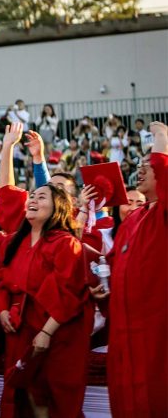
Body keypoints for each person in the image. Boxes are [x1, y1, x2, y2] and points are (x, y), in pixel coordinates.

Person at [0, 182, 90, 418]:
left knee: (50, 395)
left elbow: (68, 292)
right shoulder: (15, 243)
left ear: (57, 207)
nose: (33, 200)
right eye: (33, 196)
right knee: (24, 392)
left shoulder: (65, 243)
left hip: (56, 333)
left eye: (42, 197)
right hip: (20, 330)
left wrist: (47, 332)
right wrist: (2, 311)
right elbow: (1, 282)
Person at [105, 121, 167, 417]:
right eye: (139, 165)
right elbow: (113, 263)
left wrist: (162, 137)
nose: (140, 170)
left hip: (157, 327)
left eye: (148, 165)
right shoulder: (133, 219)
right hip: (124, 328)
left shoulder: (164, 215)